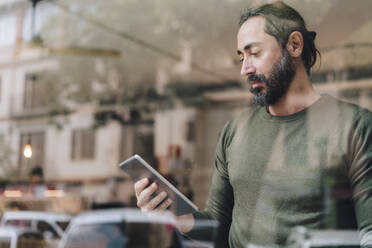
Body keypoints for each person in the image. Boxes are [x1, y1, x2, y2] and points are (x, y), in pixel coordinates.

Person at [134, 2, 372, 247]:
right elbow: (218, 226)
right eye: (241, 57)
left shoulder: (356, 127)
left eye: (255, 53)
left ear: (294, 45)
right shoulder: (233, 133)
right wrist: (176, 215)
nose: (244, 69)